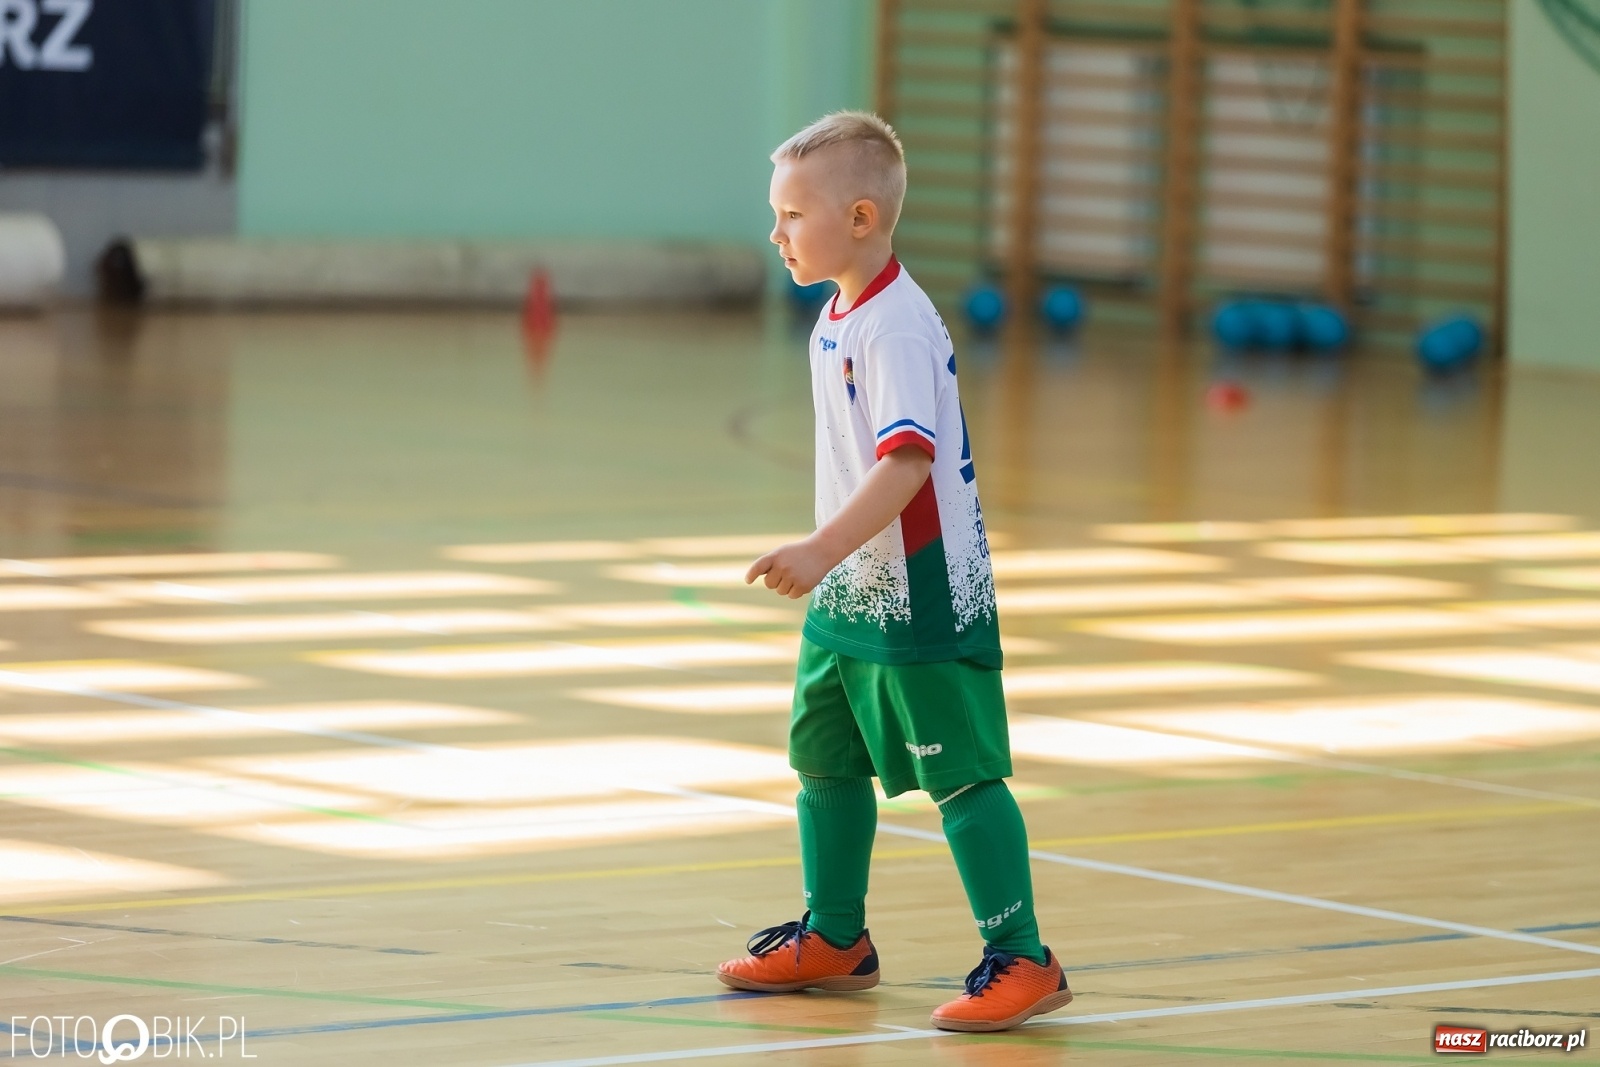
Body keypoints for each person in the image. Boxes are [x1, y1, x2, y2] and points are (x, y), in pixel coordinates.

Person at [717, 111, 1072, 1033]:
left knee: (962, 775)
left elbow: (907, 463)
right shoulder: (834, 320)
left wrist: (818, 548)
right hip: (852, 592)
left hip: (918, 595)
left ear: (863, 217)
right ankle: (836, 937)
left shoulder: (896, 330)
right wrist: (832, 562)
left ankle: (1025, 956)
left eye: (793, 214)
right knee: (823, 755)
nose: (777, 232)